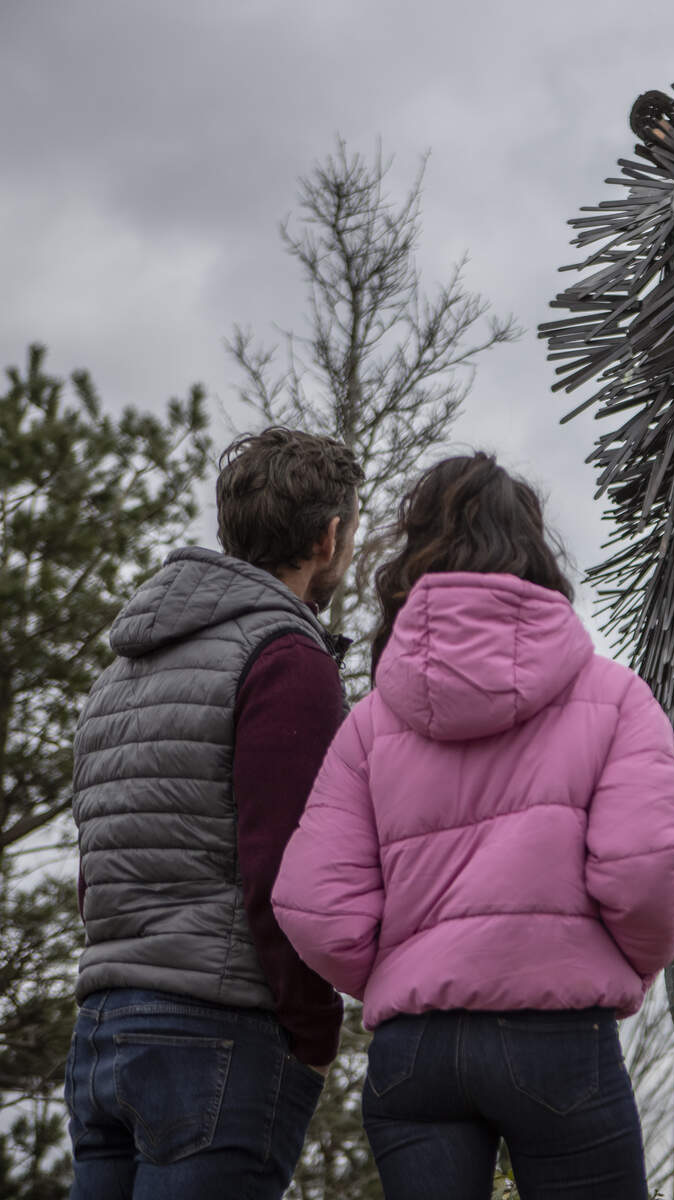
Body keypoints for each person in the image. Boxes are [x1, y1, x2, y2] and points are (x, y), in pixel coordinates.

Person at [273, 454, 674, 1200]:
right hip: (557, 1035)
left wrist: (399, 968)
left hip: (414, 1053)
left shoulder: (371, 721)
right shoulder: (616, 697)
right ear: (534, 551)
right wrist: (624, 967)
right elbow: (645, 871)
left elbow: (312, 898)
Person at [65, 427, 361, 1199]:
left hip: (100, 1031)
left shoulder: (119, 674)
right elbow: (284, 872)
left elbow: (96, 872)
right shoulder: (286, 659)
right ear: (329, 537)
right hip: (216, 1036)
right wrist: (313, 1031)